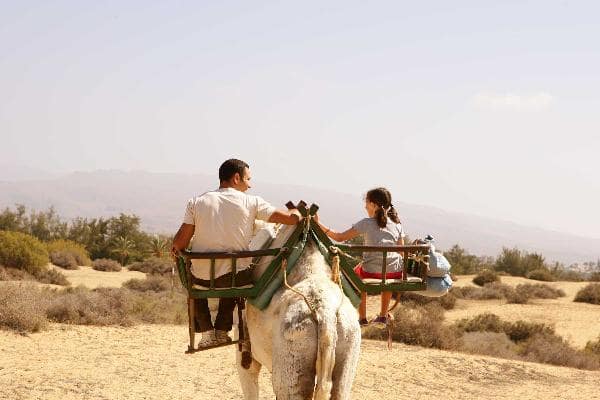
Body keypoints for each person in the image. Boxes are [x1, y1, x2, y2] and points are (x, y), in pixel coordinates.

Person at [171, 159, 302, 348]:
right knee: (236, 272)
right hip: (234, 278)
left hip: (201, 278)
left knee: (193, 281)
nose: (250, 185)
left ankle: (207, 332)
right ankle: (223, 331)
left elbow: (179, 243)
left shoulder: (197, 201)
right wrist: (295, 211)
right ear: (236, 177)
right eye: (248, 179)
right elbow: (290, 220)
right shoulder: (252, 202)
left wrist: (175, 248)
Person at [314, 187, 405, 327]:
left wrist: (318, 224)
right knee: (387, 274)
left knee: (356, 277)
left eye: (366, 202)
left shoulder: (366, 223)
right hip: (395, 271)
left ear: (374, 205)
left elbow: (339, 237)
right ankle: (382, 315)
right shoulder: (397, 225)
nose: (365, 206)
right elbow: (401, 252)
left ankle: (362, 318)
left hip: (371, 271)